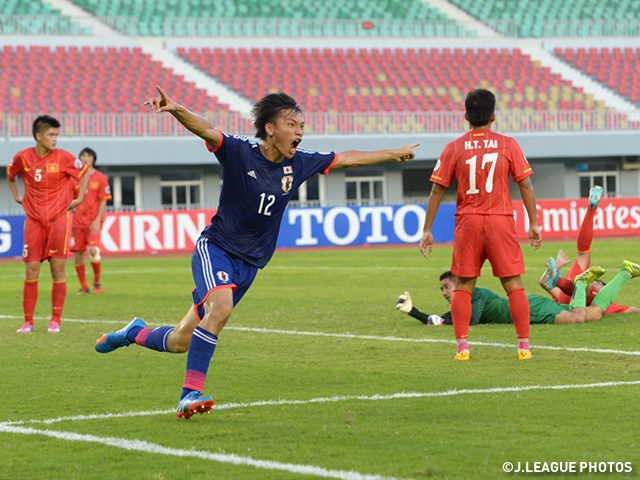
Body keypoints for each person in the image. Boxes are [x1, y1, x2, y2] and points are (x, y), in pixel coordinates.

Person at [95, 86, 419, 419]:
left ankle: (132, 332)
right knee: (220, 309)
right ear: (270, 128)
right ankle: (189, 395)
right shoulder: (240, 151)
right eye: (292, 125)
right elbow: (207, 129)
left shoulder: (301, 163)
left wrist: (394, 153)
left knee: (180, 341)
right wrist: (176, 108)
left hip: (249, 265)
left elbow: (347, 158)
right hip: (216, 249)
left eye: (302, 126)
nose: (300, 132)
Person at [419, 88, 542, 361]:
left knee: (463, 285)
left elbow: (436, 191)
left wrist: (427, 230)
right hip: (500, 220)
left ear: (466, 116)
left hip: (468, 222)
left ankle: (462, 348)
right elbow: (526, 184)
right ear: (493, 116)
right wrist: (534, 223)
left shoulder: (454, 147)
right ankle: (524, 346)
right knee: (514, 285)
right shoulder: (508, 144)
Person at [6, 115, 90, 333]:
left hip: (59, 221)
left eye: (56, 135)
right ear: (38, 135)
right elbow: (10, 173)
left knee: (57, 270)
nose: (55, 139)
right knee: (31, 269)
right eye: (51, 135)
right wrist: (17, 196)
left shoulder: (63, 158)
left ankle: (55, 320)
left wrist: (79, 198)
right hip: (33, 221)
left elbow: (85, 171)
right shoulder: (22, 158)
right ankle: (28, 322)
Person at [397, 263, 640, 326]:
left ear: (458, 282)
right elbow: (443, 319)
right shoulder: (464, 300)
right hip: (529, 308)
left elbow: (465, 322)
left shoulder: (475, 295)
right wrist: (414, 312)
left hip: (529, 308)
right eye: (441, 290)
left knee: (579, 316)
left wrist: (443, 322)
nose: (444, 293)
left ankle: (578, 284)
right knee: (594, 314)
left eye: (447, 287)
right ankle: (626, 273)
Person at [539, 186, 640, 314]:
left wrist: (557, 266)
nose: (596, 283)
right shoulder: (607, 305)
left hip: (567, 298)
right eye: (597, 282)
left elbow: (544, 282)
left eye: (598, 283)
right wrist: (556, 268)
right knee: (582, 279)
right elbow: (633, 310)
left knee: (583, 255)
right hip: (575, 300)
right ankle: (561, 280)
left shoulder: (604, 300)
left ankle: (591, 209)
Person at [70, 147, 112, 295]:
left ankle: (97, 281)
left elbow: (103, 200)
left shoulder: (100, 177)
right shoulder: (74, 178)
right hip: (77, 222)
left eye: (88, 156)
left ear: (94, 159)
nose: (85, 158)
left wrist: (98, 220)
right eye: (82, 156)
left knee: (93, 250)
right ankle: (84, 287)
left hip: (93, 221)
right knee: (78, 254)